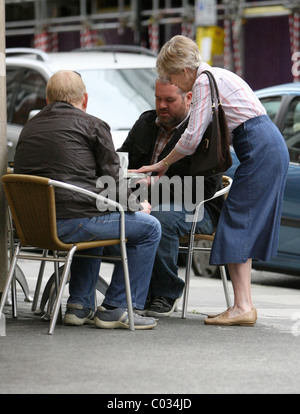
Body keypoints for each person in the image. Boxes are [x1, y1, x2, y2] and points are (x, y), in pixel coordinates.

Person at [137, 35, 289, 326]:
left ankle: (243, 306)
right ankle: (243, 305)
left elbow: (192, 137)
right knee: (238, 221)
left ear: (183, 71)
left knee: (237, 221)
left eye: (172, 77)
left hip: (260, 148)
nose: (175, 84)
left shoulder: (204, 81)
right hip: (265, 146)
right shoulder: (216, 75)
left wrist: (162, 164)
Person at [13, 70, 161, 330]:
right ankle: (118, 308)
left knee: (94, 217)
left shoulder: (29, 128)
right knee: (150, 228)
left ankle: (79, 306)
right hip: (71, 224)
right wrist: (139, 205)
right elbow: (112, 184)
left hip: (33, 227)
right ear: (85, 99)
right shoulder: (93, 125)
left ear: (48, 100)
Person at [118, 78, 224, 317]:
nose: (162, 105)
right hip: (147, 199)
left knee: (159, 218)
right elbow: (122, 159)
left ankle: (165, 292)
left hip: (199, 206)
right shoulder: (146, 122)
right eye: (158, 99)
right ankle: (132, 291)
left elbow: (204, 188)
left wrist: (153, 185)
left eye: (169, 100)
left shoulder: (203, 129)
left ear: (189, 98)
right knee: (115, 213)